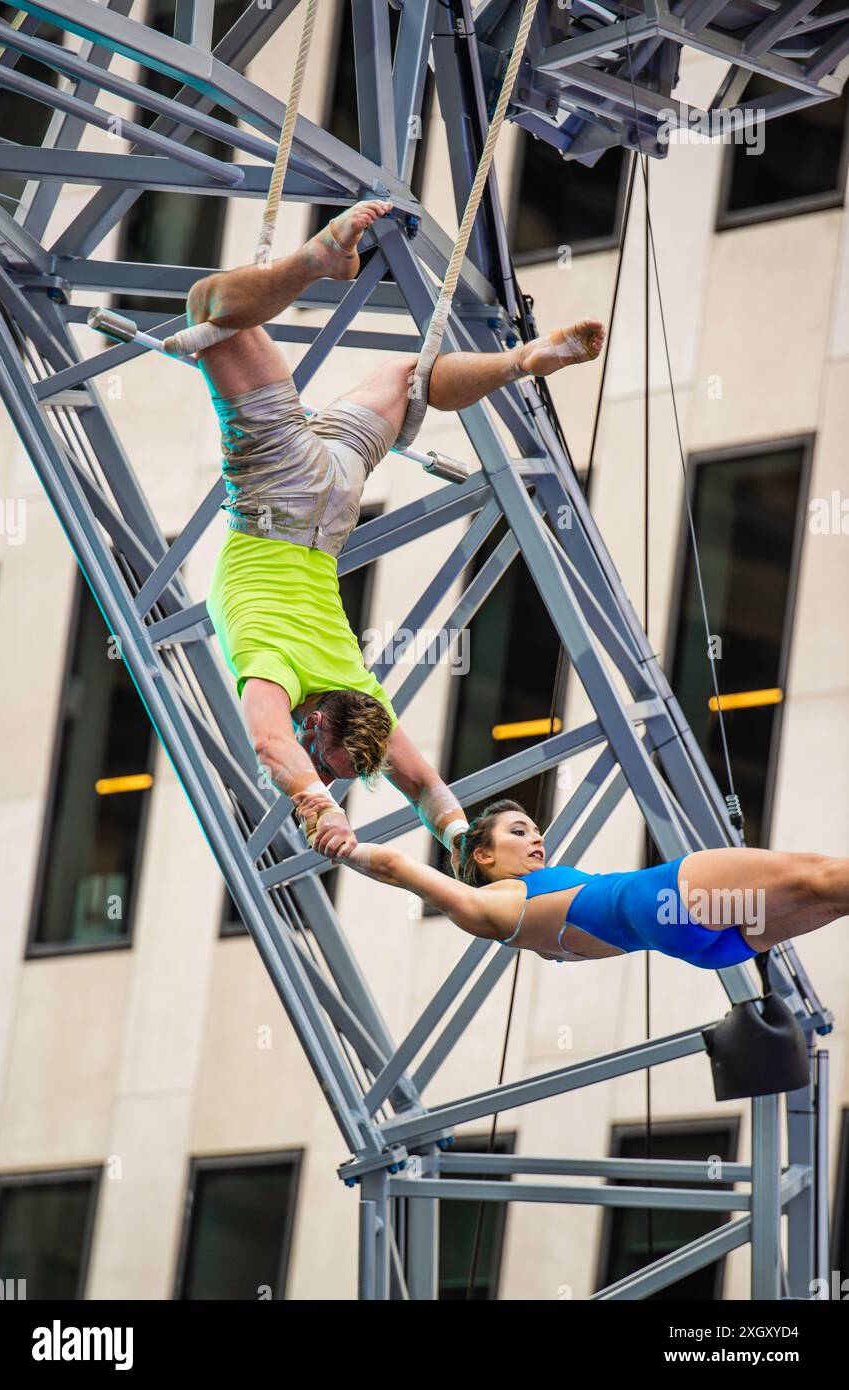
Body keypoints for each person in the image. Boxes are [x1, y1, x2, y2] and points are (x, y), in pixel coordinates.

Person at [187, 200, 606, 860]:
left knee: (409, 377)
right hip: (280, 489)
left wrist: (462, 838)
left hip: (332, 498)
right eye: (325, 758)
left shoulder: (363, 691)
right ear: (319, 721)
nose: (320, 766)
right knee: (208, 306)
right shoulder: (278, 673)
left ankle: (519, 362)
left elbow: (424, 785)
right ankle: (315, 262)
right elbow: (269, 743)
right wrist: (313, 802)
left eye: (326, 771)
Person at [295, 796, 848, 970]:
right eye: (519, 831)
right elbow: (399, 868)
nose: (536, 838)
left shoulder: (525, 928)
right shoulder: (491, 904)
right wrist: (345, 846)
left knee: (836, 896)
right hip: (665, 898)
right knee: (821, 877)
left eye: (536, 829)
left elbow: (456, 831)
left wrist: (455, 829)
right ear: (485, 855)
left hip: (701, 947)